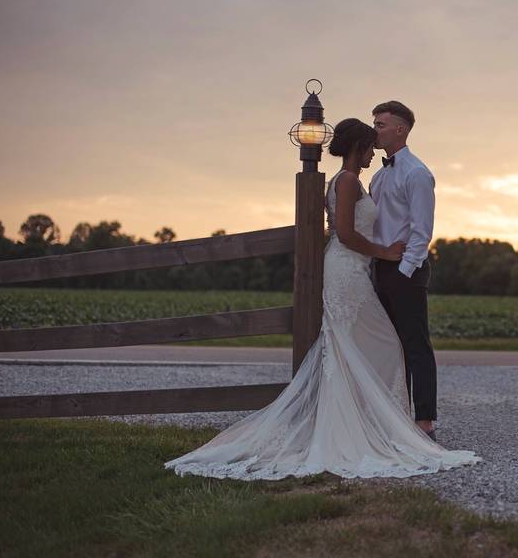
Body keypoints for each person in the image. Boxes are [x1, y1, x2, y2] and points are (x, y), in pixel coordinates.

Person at [163, 118, 481, 480]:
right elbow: (344, 234)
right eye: (368, 145)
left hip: (357, 271)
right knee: (386, 345)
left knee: (354, 348)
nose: (372, 151)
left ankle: (369, 422)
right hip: (347, 271)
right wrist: (384, 253)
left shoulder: (360, 181)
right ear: (356, 148)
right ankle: (378, 426)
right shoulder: (346, 181)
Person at [369, 101, 438, 439]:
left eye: (381, 124)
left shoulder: (417, 173)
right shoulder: (379, 176)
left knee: (415, 346)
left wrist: (404, 272)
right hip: (377, 269)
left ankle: (424, 423)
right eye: (375, 123)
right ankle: (393, 418)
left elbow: (421, 230)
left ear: (401, 128)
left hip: (405, 272)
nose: (375, 130)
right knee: (386, 346)